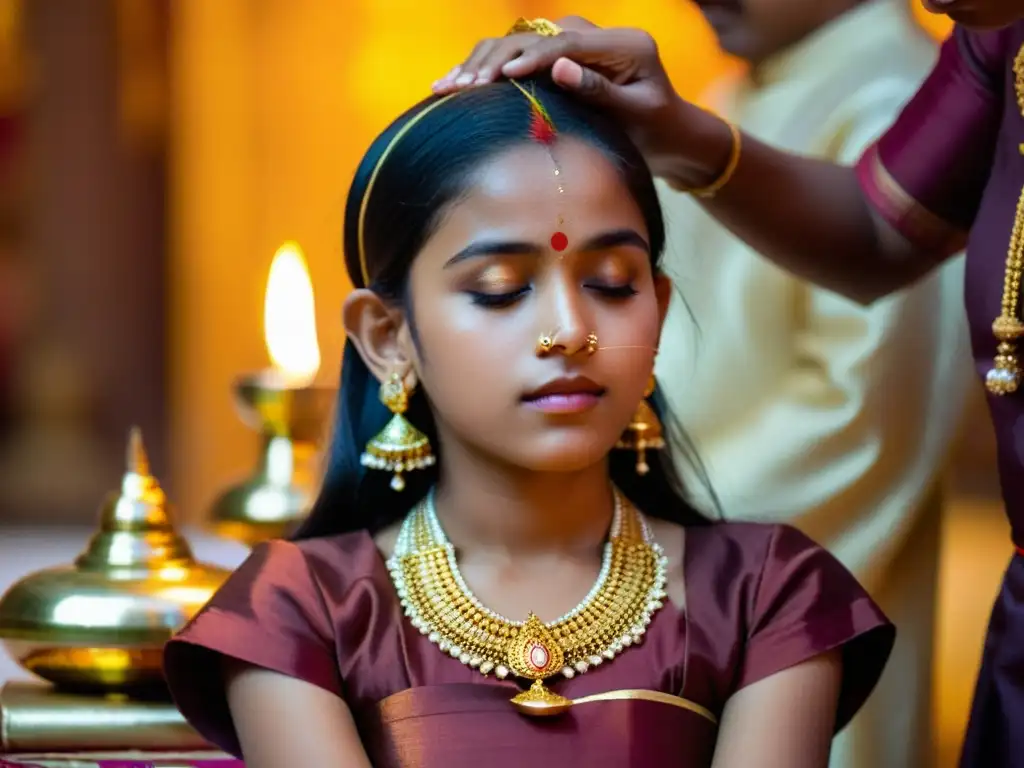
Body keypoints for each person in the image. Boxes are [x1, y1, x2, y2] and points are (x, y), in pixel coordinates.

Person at [162, 75, 893, 767]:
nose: (571, 331)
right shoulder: (300, 612)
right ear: (389, 337)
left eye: (613, 285)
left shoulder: (767, 595)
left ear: (659, 312)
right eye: (501, 290)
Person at [432, 4, 1024, 766]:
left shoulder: (883, 79)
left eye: (617, 283)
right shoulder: (998, 39)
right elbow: (877, 232)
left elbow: (857, 424)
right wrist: (675, 134)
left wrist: (628, 561)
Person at [656, 2, 971, 766]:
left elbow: (860, 419)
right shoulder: (746, 87)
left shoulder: (895, 102)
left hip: (798, 611)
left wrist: (655, 540)